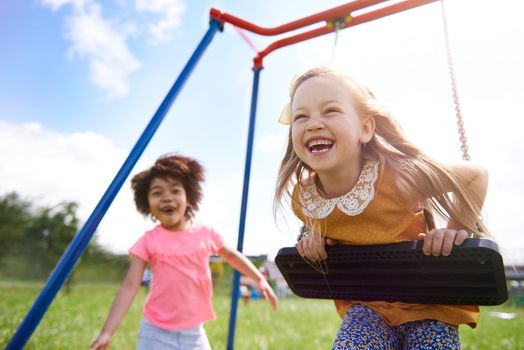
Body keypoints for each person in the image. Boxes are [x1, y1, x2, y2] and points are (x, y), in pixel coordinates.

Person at [274, 67, 490, 349]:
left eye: (330, 111)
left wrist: (453, 232)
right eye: (301, 116)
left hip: (429, 305)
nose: (313, 124)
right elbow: (331, 227)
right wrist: (313, 240)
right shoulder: (305, 198)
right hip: (367, 306)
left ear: (365, 128)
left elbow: (476, 175)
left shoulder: (397, 178)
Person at [90, 154, 277, 350]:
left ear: (188, 198)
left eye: (175, 191)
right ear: (147, 203)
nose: (167, 197)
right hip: (154, 333)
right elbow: (130, 285)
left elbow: (232, 256)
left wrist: (259, 279)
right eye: (157, 193)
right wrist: (107, 332)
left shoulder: (205, 233)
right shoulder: (147, 241)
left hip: (194, 333)